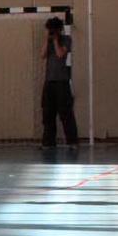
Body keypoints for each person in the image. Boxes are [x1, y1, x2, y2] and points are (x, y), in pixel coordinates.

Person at [41, 14, 79, 148]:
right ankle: (48, 142)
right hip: (49, 81)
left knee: (66, 112)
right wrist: (47, 40)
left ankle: (72, 141)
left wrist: (56, 40)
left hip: (62, 81)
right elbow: (42, 55)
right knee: (48, 113)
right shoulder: (48, 41)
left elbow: (60, 54)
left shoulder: (66, 39)